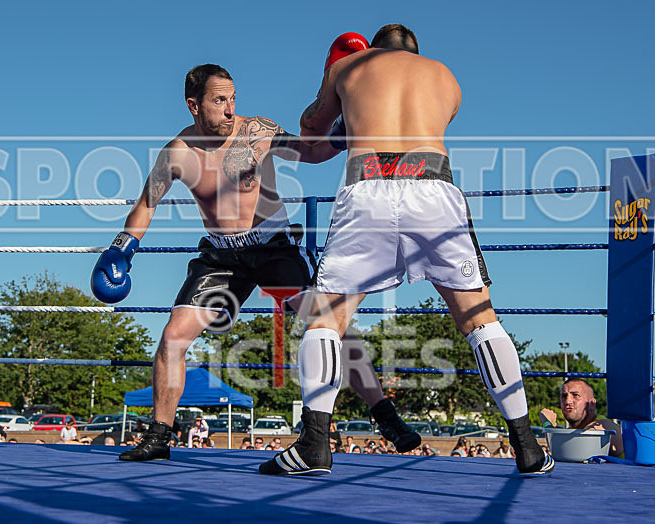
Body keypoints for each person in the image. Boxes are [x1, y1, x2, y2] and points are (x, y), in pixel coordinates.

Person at [260, 24, 553, 477]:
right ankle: (527, 446)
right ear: (416, 53)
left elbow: (311, 129)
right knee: (479, 318)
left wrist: (330, 74)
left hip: (368, 184)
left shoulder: (349, 65)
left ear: (374, 48)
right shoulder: (446, 78)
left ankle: (315, 445)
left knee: (326, 319)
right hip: (433, 187)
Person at [95, 63, 419, 462]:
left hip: (273, 247)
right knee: (172, 337)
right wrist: (121, 249)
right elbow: (147, 204)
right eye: (219, 101)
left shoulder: (257, 132)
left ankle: (384, 414)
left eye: (233, 99)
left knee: (326, 321)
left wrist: (345, 128)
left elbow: (311, 152)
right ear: (193, 105)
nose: (230, 109)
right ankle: (159, 436)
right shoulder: (177, 153)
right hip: (220, 255)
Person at [539, 378, 623, 457]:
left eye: (576, 395)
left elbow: (570, 451)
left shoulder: (604, 425)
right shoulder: (572, 431)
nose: (567, 401)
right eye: (564, 396)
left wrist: (547, 425)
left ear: (591, 404)